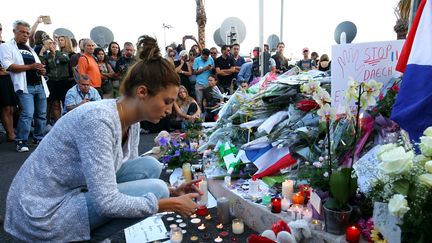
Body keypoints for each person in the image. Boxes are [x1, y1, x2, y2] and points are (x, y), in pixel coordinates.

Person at [4, 35, 202, 242]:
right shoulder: (99, 121)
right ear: (142, 92)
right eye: (167, 101)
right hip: (42, 211)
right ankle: (79, 236)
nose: (170, 110)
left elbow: (114, 179)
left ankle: (86, 233)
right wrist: (169, 202)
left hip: (77, 190)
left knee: (150, 167)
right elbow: (106, 202)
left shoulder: (131, 121)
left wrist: (173, 192)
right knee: (157, 189)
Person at [0, 20, 48, 152]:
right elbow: (8, 66)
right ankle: (21, 141)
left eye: (27, 33)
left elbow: (37, 66)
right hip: (25, 86)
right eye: (22, 32)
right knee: (27, 113)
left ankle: (38, 138)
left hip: (39, 84)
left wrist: (41, 70)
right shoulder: (7, 47)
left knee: (41, 114)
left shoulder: (30, 49)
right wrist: (31, 66)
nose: (26, 35)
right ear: (14, 31)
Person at [42, 39, 70, 124]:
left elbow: (66, 60)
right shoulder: (47, 56)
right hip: (52, 81)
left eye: (53, 43)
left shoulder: (62, 53)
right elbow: (43, 65)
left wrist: (55, 52)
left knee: (65, 102)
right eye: (49, 43)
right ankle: (58, 123)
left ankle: (68, 122)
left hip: (63, 81)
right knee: (55, 103)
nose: (51, 45)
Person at [0, 22, 18, 142]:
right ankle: (11, 134)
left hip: (7, 79)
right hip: (2, 79)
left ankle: (11, 133)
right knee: (5, 108)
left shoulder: (4, 45)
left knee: (11, 108)